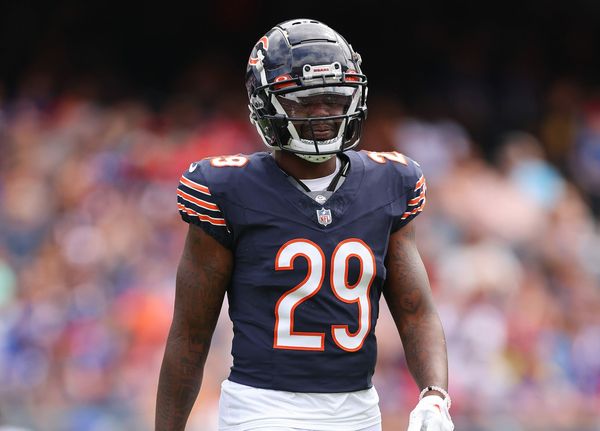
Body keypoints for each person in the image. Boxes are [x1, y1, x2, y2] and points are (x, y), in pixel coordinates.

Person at [156, 18, 453, 431]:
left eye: (333, 98)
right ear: (266, 104)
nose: (324, 114)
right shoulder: (227, 188)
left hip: (359, 410)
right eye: (305, 102)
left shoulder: (390, 182)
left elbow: (416, 311)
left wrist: (435, 394)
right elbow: (190, 334)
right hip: (262, 409)